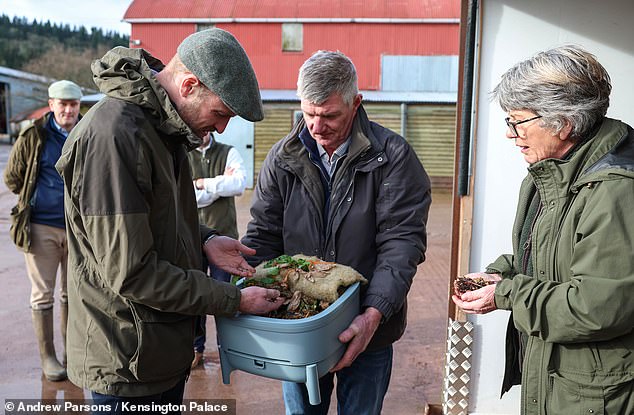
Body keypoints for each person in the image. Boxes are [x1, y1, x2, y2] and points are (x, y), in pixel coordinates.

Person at [54, 28, 284, 412]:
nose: (223, 128)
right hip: (126, 363)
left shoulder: (161, 130)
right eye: (221, 114)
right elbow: (132, 273)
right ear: (190, 85)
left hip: (156, 352)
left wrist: (204, 241)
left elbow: (154, 224)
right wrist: (234, 300)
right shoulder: (116, 137)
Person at [241, 50, 432, 415]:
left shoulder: (392, 157)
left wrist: (374, 313)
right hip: (301, 328)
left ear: (356, 102)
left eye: (329, 115)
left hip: (368, 328)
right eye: (309, 113)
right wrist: (254, 291)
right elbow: (263, 234)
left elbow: (401, 245)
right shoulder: (283, 158)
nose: (316, 126)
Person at [452, 45, 634, 415]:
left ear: (563, 123)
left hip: (594, 398)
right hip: (561, 382)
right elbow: (554, 256)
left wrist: (507, 294)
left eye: (517, 121)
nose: (510, 134)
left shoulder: (615, 190)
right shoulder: (553, 170)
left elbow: (597, 307)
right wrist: (501, 274)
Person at [4, 80, 83, 382]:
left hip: (78, 230)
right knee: (43, 295)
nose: (67, 109)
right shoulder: (34, 135)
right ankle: (48, 358)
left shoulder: (85, 133)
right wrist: (34, 197)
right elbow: (13, 177)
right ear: (51, 105)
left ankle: (70, 354)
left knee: (72, 293)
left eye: (73, 104)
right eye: (62, 104)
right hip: (41, 228)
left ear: (79, 107)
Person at [188, 131, 247, 368]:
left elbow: (239, 184)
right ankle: (196, 347)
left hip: (225, 237)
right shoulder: (184, 153)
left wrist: (202, 183)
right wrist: (219, 185)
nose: (202, 132)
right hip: (193, 238)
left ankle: (228, 349)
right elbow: (186, 196)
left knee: (227, 297)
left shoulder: (228, 152)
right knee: (196, 297)